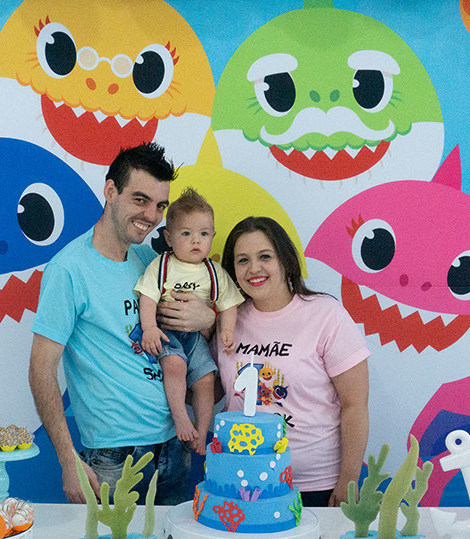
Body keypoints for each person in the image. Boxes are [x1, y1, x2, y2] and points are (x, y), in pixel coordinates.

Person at [28, 143, 215, 504]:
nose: (151, 215)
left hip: (174, 445)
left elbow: (188, 332)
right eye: (140, 200)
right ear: (111, 191)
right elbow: (41, 369)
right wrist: (68, 459)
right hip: (113, 457)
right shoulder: (69, 269)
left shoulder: (151, 260)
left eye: (160, 206)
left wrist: (207, 318)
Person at [218, 216, 370, 508]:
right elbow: (214, 389)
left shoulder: (326, 314)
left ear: (286, 260)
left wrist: (349, 481)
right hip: (242, 482)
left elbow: (355, 405)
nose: (254, 269)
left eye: (265, 256)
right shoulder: (228, 321)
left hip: (315, 485)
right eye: (242, 260)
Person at [135, 188, 244, 456]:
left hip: (196, 337)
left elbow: (229, 304)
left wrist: (227, 330)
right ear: (169, 238)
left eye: (203, 234)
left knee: (206, 378)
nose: (196, 240)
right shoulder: (161, 265)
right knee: (175, 364)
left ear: (212, 236)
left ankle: (202, 430)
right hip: (166, 332)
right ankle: (181, 417)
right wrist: (149, 328)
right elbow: (147, 298)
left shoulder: (214, 271)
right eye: (186, 234)